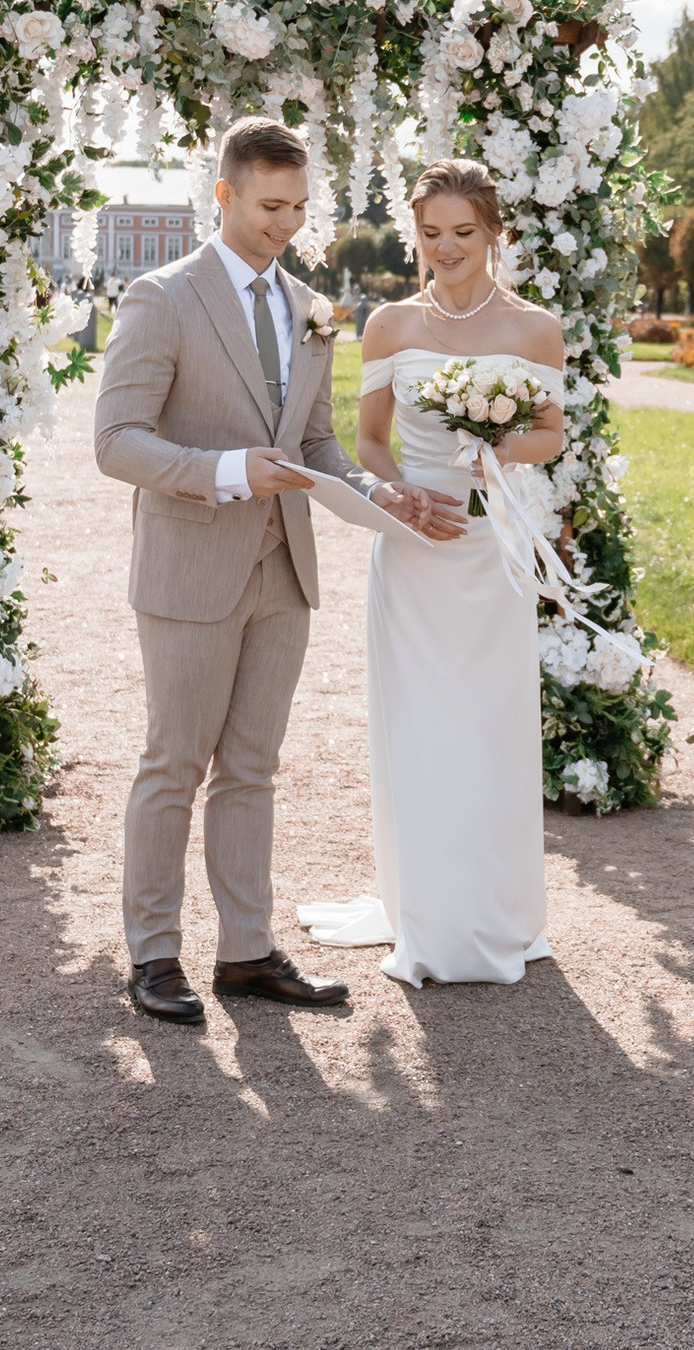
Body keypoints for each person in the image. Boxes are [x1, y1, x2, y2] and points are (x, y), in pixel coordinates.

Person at [93, 117, 463, 1025]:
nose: (285, 225)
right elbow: (115, 441)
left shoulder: (311, 306)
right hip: (188, 570)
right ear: (222, 196)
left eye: (298, 207)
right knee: (174, 763)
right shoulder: (160, 297)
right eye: (268, 206)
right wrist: (225, 472)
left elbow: (317, 442)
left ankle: (247, 953)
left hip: (283, 572)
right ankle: (153, 956)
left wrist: (386, 493)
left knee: (253, 768)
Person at [297, 159, 566, 985]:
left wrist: (498, 449)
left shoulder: (534, 329)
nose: (445, 248)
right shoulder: (390, 326)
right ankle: (426, 907)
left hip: (492, 555)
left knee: (491, 728)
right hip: (413, 551)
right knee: (420, 729)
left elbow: (550, 433)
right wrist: (398, 493)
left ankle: (497, 910)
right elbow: (369, 440)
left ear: (493, 233)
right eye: (430, 234)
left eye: (462, 233)